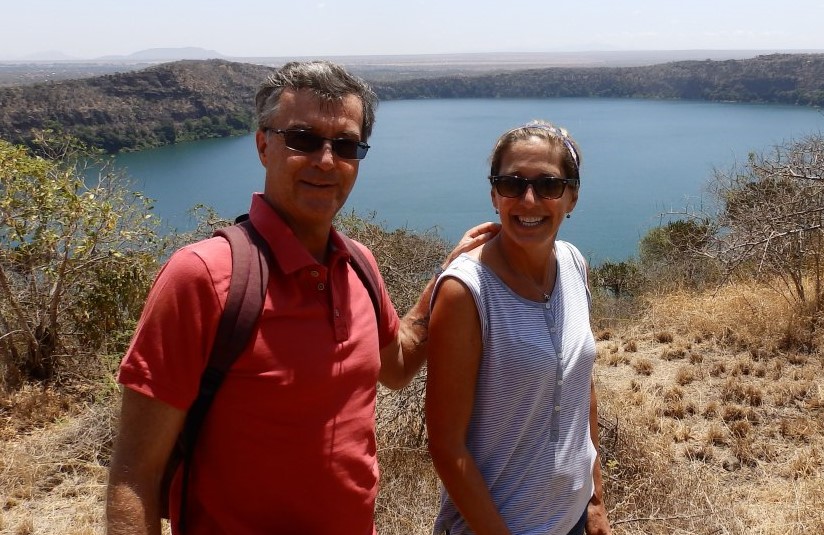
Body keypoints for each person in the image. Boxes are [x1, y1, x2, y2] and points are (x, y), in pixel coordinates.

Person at [106, 60, 498, 535]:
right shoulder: (204, 278)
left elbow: (395, 365)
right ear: (262, 145)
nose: (326, 161)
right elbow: (134, 473)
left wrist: (450, 274)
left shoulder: (359, 266)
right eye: (303, 139)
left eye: (346, 145)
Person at [426, 121, 612, 535]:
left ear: (572, 197)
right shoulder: (466, 291)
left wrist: (595, 499)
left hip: (573, 519)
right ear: (494, 195)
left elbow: (582, 386)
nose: (529, 200)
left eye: (549, 185)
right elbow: (446, 445)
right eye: (512, 184)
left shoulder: (573, 263)